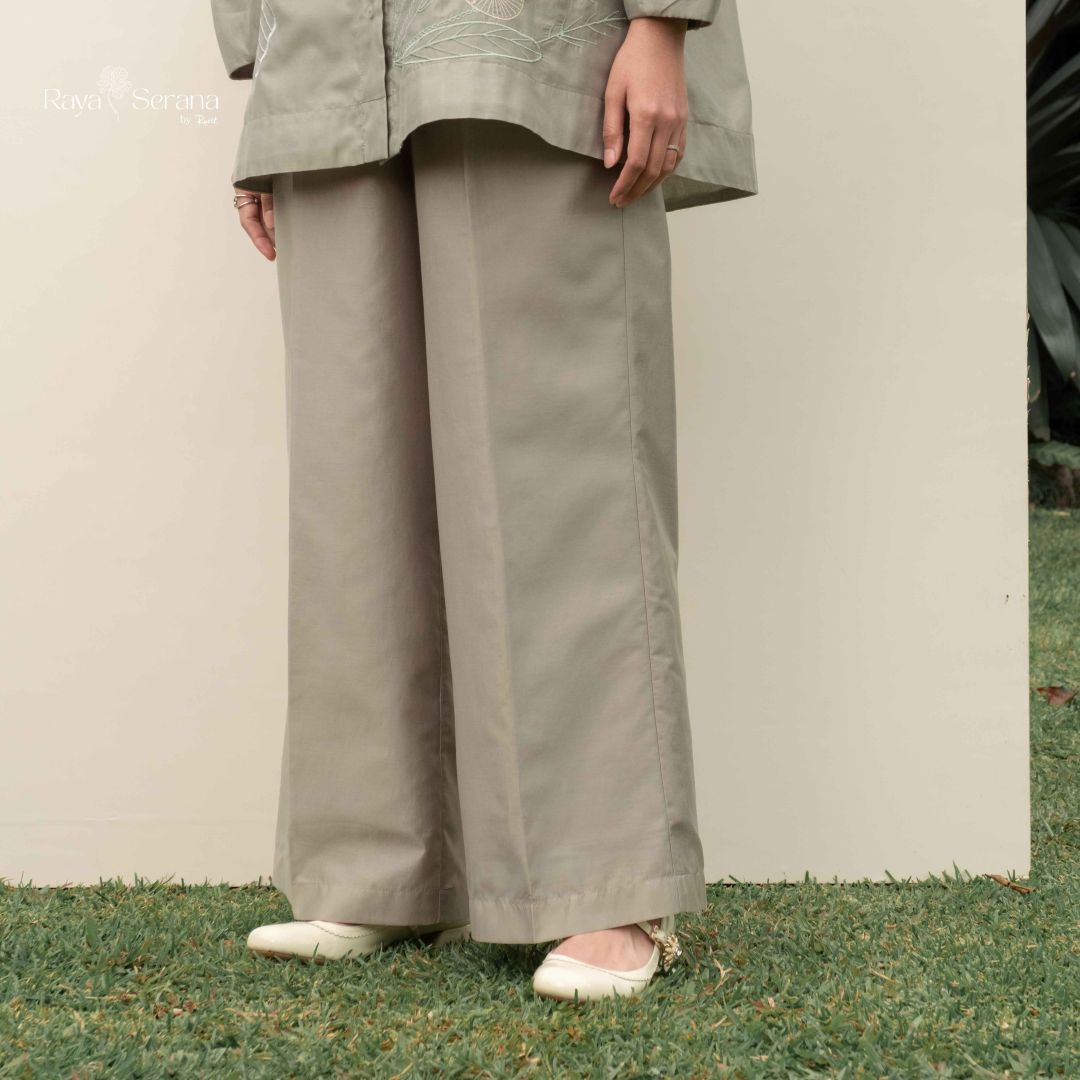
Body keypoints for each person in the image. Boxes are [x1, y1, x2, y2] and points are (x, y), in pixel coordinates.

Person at [210, 0, 757, 1001]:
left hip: (532, 33)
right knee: (353, 470)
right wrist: (269, 82)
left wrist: (662, 21)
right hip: (325, 47)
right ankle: (383, 866)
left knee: (557, 460)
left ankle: (607, 881)